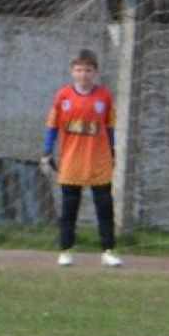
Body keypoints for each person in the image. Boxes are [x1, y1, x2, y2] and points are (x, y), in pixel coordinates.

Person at [41, 48, 123, 268]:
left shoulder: (104, 96)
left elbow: (111, 127)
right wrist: (46, 152)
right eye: (79, 70)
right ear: (72, 72)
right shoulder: (63, 96)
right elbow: (52, 126)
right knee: (69, 208)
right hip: (71, 161)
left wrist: (113, 151)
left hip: (99, 161)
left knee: (104, 208)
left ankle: (108, 250)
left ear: (95, 72)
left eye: (88, 70)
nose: (83, 75)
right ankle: (66, 250)